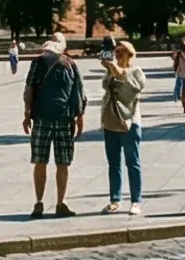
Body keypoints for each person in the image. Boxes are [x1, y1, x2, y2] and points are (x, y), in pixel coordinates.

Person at [22, 38, 85, 218]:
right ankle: (61, 202)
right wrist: (80, 116)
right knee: (63, 162)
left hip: (41, 119)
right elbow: (79, 91)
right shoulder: (70, 64)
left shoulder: (37, 63)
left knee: (40, 161)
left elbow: (29, 89)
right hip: (64, 119)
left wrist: (27, 114)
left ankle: (39, 202)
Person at [98, 40, 145, 215]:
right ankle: (115, 199)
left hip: (130, 122)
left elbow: (132, 89)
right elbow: (104, 85)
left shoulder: (136, 71)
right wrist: (109, 68)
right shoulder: (110, 70)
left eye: (120, 52)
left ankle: (136, 201)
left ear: (129, 54)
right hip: (110, 121)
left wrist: (117, 71)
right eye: (115, 52)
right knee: (113, 163)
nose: (117, 55)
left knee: (133, 162)